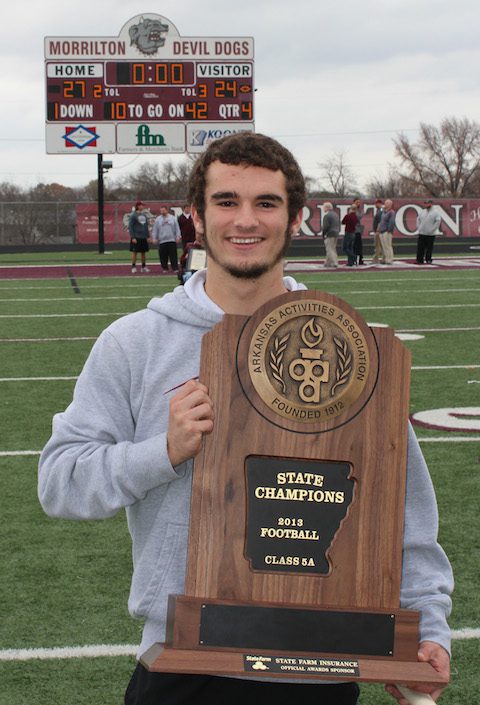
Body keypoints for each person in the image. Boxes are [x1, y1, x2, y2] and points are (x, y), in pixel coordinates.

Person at [38, 132, 452, 705]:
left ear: (297, 218)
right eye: (226, 201)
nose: (245, 221)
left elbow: (406, 512)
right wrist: (164, 450)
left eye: (266, 203)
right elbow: (60, 483)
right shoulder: (135, 342)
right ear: (197, 218)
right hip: (181, 666)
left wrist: (426, 630)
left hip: (322, 667)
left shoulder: (349, 344)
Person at [152, 205, 181, 272]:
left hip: (171, 240)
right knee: (163, 256)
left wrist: (178, 236)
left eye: (163, 210)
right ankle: (165, 268)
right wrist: (154, 238)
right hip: (162, 241)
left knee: (173, 255)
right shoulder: (158, 219)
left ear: (167, 210)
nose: (162, 212)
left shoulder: (173, 218)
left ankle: (175, 268)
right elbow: (155, 230)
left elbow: (177, 228)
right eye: (161, 211)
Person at [128, 201, 151, 274]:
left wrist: (147, 236)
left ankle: (143, 267)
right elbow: (131, 226)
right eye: (141, 205)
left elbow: (146, 226)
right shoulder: (133, 215)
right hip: (136, 237)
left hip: (143, 237)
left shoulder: (144, 215)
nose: (142, 207)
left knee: (143, 252)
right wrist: (133, 237)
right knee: (135, 252)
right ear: (137, 206)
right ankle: (133, 267)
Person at [416, 199, 441, 264]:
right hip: (422, 232)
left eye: (427, 203)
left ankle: (428, 259)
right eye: (425, 203)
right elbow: (418, 219)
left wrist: (432, 229)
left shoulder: (436, 212)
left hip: (430, 234)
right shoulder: (423, 211)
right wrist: (419, 228)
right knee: (420, 247)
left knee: (429, 248)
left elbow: (438, 222)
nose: (426, 204)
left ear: (431, 203)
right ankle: (419, 259)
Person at [321, 202, 340, 268]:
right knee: (333, 248)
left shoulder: (327, 216)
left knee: (329, 249)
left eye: (324, 207)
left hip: (330, 233)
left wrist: (323, 234)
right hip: (336, 233)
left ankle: (334, 263)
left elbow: (325, 226)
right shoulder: (336, 215)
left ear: (327, 208)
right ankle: (327, 263)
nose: (323, 209)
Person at [378, 198, 396, 265]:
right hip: (381, 231)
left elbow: (392, 222)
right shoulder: (384, 211)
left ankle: (390, 259)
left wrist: (389, 230)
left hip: (387, 231)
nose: (384, 204)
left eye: (386, 203)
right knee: (384, 246)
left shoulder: (391, 212)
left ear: (390, 204)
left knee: (388, 246)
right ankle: (386, 258)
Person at [352, 197, 365, 265]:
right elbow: (358, 216)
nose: (358, 204)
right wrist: (363, 211)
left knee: (358, 246)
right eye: (357, 202)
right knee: (357, 246)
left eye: (359, 202)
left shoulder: (356, 210)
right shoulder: (354, 211)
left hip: (357, 230)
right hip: (355, 231)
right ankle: (357, 260)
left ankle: (358, 259)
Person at [371, 198, 384, 264]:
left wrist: (378, 230)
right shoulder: (379, 210)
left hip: (378, 231)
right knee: (381, 246)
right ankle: (383, 258)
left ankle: (375, 259)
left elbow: (380, 222)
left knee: (377, 246)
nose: (375, 204)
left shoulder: (380, 211)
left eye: (376, 203)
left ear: (379, 203)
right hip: (379, 231)